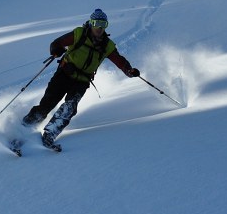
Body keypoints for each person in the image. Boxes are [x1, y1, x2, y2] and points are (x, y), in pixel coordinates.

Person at [22, 8, 140, 151]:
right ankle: (23, 130)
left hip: (82, 81)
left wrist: (129, 70)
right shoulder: (79, 34)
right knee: (48, 103)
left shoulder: (107, 45)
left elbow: (119, 60)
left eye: (103, 24)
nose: (99, 28)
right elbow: (57, 43)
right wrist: (56, 50)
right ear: (91, 23)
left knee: (70, 108)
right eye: (96, 23)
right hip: (64, 74)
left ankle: (50, 134)